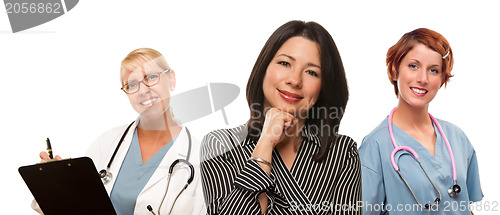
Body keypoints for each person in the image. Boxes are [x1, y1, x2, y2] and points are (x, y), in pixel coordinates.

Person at [201, 20, 361, 215]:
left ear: (324, 86)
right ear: (264, 68)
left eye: (312, 72)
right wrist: (266, 143)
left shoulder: (342, 153)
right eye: (285, 63)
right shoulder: (220, 145)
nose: (294, 80)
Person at [35, 48, 205, 215]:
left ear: (171, 79)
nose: (144, 90)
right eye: (132, 85)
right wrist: (55, 182)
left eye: (152, 77)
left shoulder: (200, 160)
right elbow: (76, 206)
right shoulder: (108, 142)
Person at [359, 28, 483, 214]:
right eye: (413, 66)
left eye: (433, 70)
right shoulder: (375, 146)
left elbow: (465, 207)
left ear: (441, 80)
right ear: (394, 71)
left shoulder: (457, 138)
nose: (423, 79)